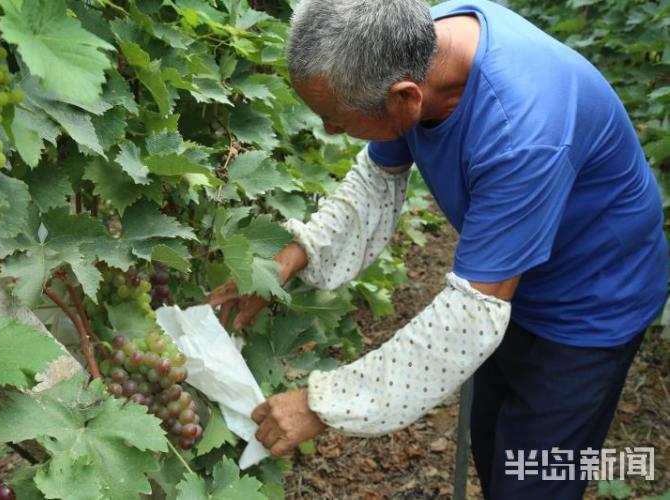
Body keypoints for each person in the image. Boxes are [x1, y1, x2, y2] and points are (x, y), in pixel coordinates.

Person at [207, 0, 668, 497]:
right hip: (514, 283)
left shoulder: (522, 131)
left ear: (405, 99)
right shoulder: (414, 43)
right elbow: (373, 183)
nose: (330, 131)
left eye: (335, 119)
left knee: (534, 476)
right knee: (498, 450)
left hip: (592, 301)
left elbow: (469, 318)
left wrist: (323, 403)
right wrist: (291, 258)